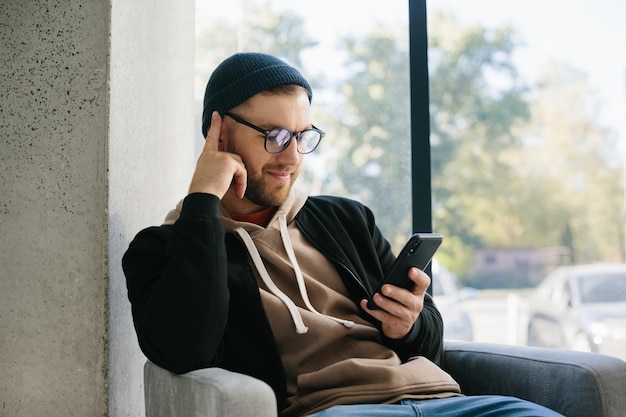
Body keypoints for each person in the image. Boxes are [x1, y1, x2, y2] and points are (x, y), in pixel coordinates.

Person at [122, 52, 563, 417]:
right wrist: (202, 199)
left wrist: (410, 324)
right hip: (334, 409)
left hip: (441, 400)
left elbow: (431, 342)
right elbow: (185, 351)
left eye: (301, 136)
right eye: (274, 136)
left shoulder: (346, 220)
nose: (291, 157)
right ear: (218, 131)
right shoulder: (161, 248)